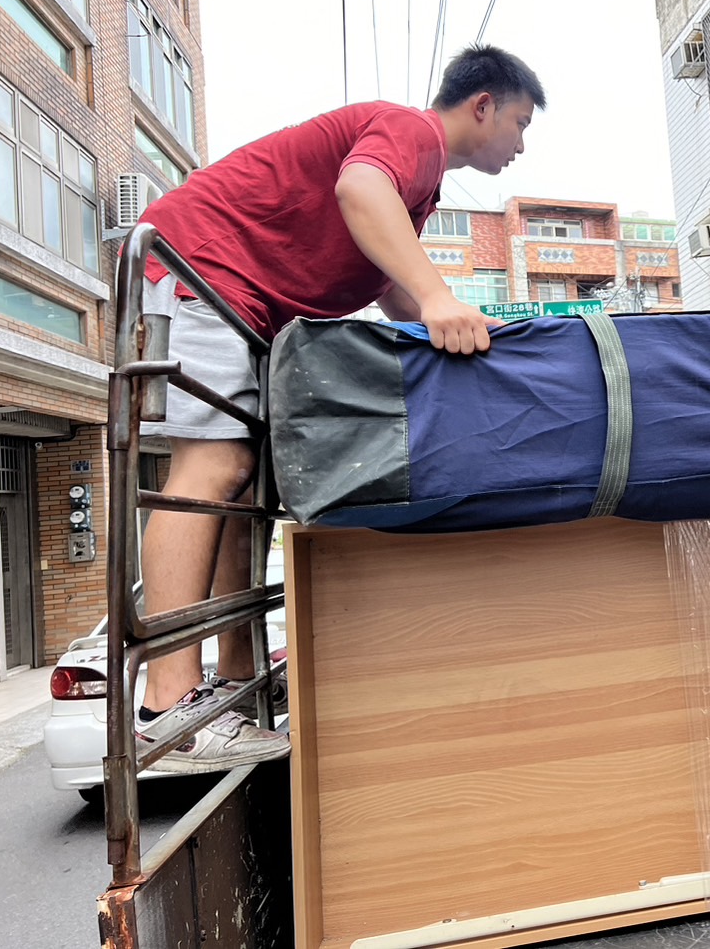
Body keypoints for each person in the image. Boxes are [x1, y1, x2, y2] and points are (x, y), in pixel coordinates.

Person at [133, 45, 546, 773]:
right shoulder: (411, 134)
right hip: (200, 268)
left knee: (242, 496)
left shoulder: (420, 188)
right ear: (482, 105)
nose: (520, 143)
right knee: (211, 466)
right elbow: (359, 192)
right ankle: (170, 705)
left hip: (235, 297)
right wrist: (441, 298)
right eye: (519, 122)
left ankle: (223, 688)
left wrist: (465, 319)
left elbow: (393, 290)